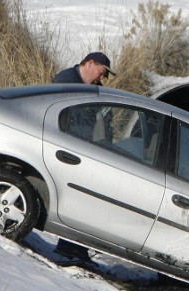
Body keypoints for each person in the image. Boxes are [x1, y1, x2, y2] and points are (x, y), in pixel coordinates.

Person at [51, 52, 116, 265]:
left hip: (86, 153)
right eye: (102, 72)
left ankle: (76, 248)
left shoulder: (91, 88)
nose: (103, 78)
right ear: (90, 64)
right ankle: (69, 248)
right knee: (77, 200)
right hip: (71, 152)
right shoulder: (66, 82)